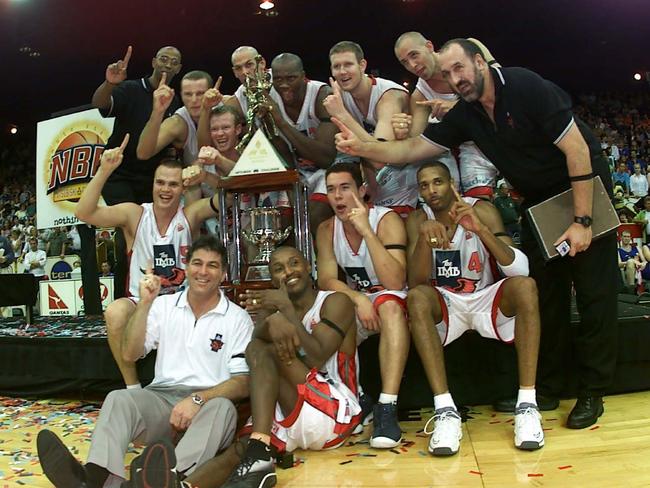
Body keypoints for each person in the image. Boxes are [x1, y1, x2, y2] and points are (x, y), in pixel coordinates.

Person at [334, 38, 618, 429]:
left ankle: (593, 390)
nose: (455, 79)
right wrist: (363, 144)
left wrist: (583, 221)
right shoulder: (467, 114)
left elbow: (578, 151)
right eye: (448, 73)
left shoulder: (525, 86)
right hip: (538, 201)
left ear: (480, 62)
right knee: (545, 294)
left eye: (460, 69)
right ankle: (547, 386)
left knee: (593, 295)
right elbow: (412, 149)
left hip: (582, 188)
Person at [133, 245, 360, 488]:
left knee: (263, 351)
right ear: (271, 277)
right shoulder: (272, 307)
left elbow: (316, 357)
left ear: (308, 266)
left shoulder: (336, 302)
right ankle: (181, 484)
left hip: (332, 411)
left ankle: (259, 448)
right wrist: (270, 317)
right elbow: (256, 359)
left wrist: (285, 313)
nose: (288, 272)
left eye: (294, 263)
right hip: (287, 409)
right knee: (240, 450)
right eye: (278, 268)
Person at [36, 235, 254, 488]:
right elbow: (129, 353)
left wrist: (198, 399)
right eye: (197, 263)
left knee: (223, 408)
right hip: (161, 400)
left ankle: (166, 480)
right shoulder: (163, 306)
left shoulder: (237, 319)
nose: (203, 271)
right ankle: (95, 479)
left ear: (223, 273)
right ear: (186, 267)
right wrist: (145, 304)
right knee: (119, 399)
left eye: (212, 265)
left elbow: (243, 382)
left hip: (207, 407)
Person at [406, 162, 544, 455]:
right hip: (447, 303)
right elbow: (415, 283)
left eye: (438, 182)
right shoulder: (418, 219)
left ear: (452, 182)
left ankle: (528, 405)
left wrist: (481, 230)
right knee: (417, 298)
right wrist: (422, 240)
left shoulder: (481, 209)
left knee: (525, 287)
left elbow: (520, 269)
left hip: (484, 298)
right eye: (424, 185)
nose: (431, 190)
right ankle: (445, 410)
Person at [75, 135, 222, 389]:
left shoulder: (190, 213)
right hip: (142, 301)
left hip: (182, 302)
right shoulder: (135, 214)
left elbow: (229, 198)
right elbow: (84, 212)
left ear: (183, 188)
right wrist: (104, 170)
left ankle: (201, 384)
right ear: (152, 184)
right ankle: (132, 388)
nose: (165, 190)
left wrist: (206, 177)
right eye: (160, 183)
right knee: (114, 311)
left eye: (173, 184)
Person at [316, 162, 409, 448]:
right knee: (330, 311)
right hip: (361, 302)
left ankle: (387, 407)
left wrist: (366, 230)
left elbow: (395, 280)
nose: (338, 196)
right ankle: (355, 400)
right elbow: (327, 279)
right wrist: (357, 299)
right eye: (331, 190)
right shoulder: (326, 228)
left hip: (392, 299)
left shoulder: (386, 220)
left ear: (362, 190)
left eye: (345, 188)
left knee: (389, 304)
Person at [92, 46, 182, 299]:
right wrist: (109, 84)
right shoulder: (131, 88)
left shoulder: (174, 100)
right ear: (153, 61)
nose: (167, 64)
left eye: (173, 62)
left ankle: (162, 296)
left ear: (178, 68)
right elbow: (99, 103)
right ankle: (124, 301)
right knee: (129, 234)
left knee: (156, 237)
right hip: (118, 173)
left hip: (150, 179)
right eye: (163, 58)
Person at [392, 32, 499, 198]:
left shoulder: (467, 47)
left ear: (429, 46)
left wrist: (458, 109)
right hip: (473, 147)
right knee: (478, 203)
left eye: (414, 55)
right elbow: (415, 144)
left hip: (505, 130)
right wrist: (401, 132)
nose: (412, 65)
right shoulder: (420, 95)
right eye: (405, 62)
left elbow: (502, 90)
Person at [323, 41, 413, 217]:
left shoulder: (389, 96)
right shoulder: (340, 96)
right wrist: (371, 186)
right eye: (336, 66)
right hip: (380, 169)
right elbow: (362, 152)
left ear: (362, 65)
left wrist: (342, 115)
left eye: (348, 64)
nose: (342, 72)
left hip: (412, 165)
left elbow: (381, 157)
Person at [266, 53, 338, 233]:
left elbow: (326, 158)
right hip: (297, 171)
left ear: (303, 76)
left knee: (316, 214)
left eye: (291, 78)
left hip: (330, 169)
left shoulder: (321, 95)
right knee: (281, 222)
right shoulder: (269, 98)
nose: (284, 85)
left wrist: (280, 122)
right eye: (278, 79)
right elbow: (280, 148)